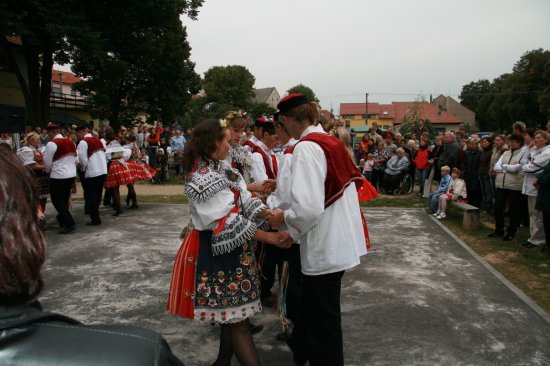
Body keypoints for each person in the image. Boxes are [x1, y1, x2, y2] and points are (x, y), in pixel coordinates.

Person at [0, 145, 183, 366]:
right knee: (83, 196)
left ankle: (86, 214)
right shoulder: (140, 353)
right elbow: (79, 160)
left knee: (80, 196)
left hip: (70, 173)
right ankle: (86, 215)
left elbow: (57, 162)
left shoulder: (61, 144)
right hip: (81, 173)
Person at [167, 119, 291, 366]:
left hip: (233, 249)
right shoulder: (202, 176)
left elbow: (244, 198)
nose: (230, 143)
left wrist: (267, 215)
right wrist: (269, 236)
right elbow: (224, 221)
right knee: (238, 323)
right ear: (213, 142)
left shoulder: (219, 169)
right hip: (220, 253)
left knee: (231, 317)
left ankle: (221, 363)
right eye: (225, 139)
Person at [267, 94, 367, 366]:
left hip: (325, 247)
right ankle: (303, 350)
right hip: (336, 242)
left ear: (286, 120)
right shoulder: (330, 141)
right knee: (318, 318)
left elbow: (308, 208)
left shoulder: (307, 147)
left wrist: (285, 219)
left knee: (325, 328)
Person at [490, 134, 529, 241]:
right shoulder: (506, 153)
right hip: (502, 184)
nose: (511, 144)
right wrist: (505, 168)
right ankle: (499, 229)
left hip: (514, 185)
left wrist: (504, 167)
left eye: (513, 142)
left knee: (513, 210)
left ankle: (511, 232)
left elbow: (516, 168)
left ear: (519, 143)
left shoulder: (522, 153)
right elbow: (496, 167)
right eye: (510, 141)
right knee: (498, 207)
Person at [43, 123, 77, 234]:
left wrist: (48, 171)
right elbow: (75, 158)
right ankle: (62, 219)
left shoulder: (51, 144)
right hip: (71, 174)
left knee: (57, 200)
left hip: (58, 175)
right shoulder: (70, 141)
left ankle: (69, 222)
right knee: (64, 199)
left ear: (51, 132)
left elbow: (47, 162)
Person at [521, 130, 550, 248]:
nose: (535, 140)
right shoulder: (534, 150)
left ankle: (538, 239)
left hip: (537, 187)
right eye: (535, 137)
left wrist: (525, 166)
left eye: (539, 138)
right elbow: (522, 161)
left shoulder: (547, 152)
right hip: (529, 185)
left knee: (538, 215)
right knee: (532, 213)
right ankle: (533, 237)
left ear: (546, 140)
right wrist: (528, 148)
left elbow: (532, 168)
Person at [75, 124, 108, 226]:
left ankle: (95, 218)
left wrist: (82, 168)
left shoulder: (83, 142)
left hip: (93, 171)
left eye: (77, 134)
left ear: (81, 132)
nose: (77, 137)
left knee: (91, 195)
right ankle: (96, 215)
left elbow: (83, 160)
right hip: (102, 170)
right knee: (97, 195)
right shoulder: (97, 140)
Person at [16, 132, 50, 224]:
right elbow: (31, 166)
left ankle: (41, 216)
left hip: (43, 177)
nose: (39, 141)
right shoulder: (26, 150)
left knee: (43, 198)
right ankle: (35, 218)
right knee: (35, 198)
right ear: (31, 141)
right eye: (37, 140)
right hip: (33, 177)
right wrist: (46, 167)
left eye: (39, 139)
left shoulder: (41, 149)